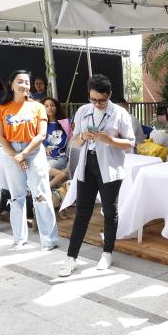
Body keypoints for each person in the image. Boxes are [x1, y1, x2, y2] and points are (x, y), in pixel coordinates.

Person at [58, 74, 135, 277]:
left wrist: (108, 139)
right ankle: (71, 257)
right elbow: (73, 142)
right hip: (87, 164)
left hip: (110, 167)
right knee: (82, 211)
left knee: (110, 210)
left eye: (101, 100)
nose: (97, 104)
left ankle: (107, 252)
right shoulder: (83, 111)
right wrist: (82, 136)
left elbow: (130, 143)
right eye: (93, 99)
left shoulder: (119, 113)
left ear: (109, 95)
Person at [0, 70, 59, 250]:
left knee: (42, 194)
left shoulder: (37, 107)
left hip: (34, 150)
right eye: (20, 82)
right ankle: (19, 238)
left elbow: (42, 135)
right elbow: (0, 136)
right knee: (16, 197)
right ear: (11, 84)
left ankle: (49, 240)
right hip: (11, 151)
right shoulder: (2, 108)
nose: (24, 86)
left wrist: (24, 153)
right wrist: (15, 155)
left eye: (27, 82)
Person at [42, 96, 73, 191]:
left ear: (57, 107)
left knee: (44, 170)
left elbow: (71, 137)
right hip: (44, 157)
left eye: (52, 105)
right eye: (46, 106)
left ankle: (44, 191)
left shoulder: (65, 123)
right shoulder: (41, 124)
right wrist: (44, 148)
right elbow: (36, 141)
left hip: (59, 157)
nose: (49, 108)